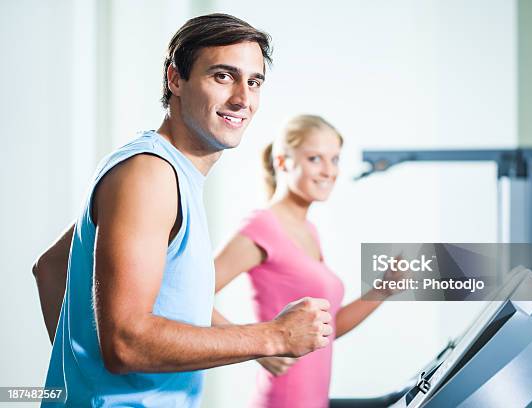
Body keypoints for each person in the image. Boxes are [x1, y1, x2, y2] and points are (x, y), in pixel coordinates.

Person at [32, 14, 333, 407]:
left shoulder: (168, 173)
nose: (242, 98)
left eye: (254, 81)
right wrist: (271, 336)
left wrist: (85, 378)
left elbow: (52, 267)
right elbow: (124, 341)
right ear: (176, 79)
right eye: (223, 76)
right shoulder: (149, 174)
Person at [213, 115, 398, 408]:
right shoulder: (262, 227)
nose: (328, 171)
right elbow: (189, 293)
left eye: (335, 159)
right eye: (315, 159)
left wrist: (383, 290)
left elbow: (326, 328)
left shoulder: (308, 230)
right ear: (283, 161)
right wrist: (258, 347)